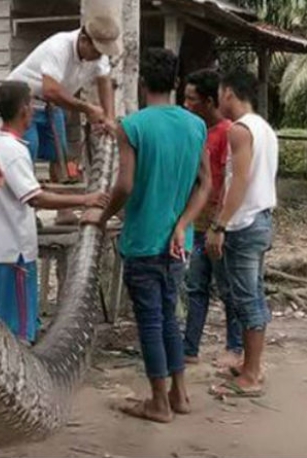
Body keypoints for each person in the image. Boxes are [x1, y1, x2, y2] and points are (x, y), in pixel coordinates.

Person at [84, 48, 212, 423]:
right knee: (170, 317)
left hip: (142, 240)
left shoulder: (134, 126)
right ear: (175, 83)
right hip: (178, 243)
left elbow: (124, 184)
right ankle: (180, 393)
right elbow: (205, 184)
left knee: (151, 321)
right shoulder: (195, 125)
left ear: (142, 83)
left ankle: (158, 402)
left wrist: (105, 214)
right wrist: (184, 223)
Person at [0, 81, 108, 344]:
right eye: (32, 106)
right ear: (24, 110)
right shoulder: (12, 150)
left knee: (8, 316)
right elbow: (35, 198)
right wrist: (85, 199)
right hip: (13, 247)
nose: (34, 111)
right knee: (19, 327)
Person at [206, 69, 278, 398]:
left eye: (220, 93)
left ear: (230, 93)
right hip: (260, 218)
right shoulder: (264, 128)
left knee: (247, 299)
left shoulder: (239, 130)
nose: (217, 99)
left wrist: (220, 224)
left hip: (245, 223)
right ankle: (251, 364)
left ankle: (251, 374)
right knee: (252, 295)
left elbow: (240, 180)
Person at [7, 15, 120, 226]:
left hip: (53, 104)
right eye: (95, 51)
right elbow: (50, 90)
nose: (98, 57)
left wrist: (109, 117)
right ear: (84, 40)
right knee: (25, 155)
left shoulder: (98, 56)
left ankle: (63, 210)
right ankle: (26, 212)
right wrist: (87, 108)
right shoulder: (59, 46)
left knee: (59, 157)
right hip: (23, 102)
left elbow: (104, 82)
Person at [180, 69, 243, 368]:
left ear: (207, 101)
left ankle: (235, 346)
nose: (186, 104)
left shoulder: (227, 133)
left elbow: (228, 183)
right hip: (198, 222)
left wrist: (219, 226)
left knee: (227, 289)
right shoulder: (196, 130)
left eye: (191, 99)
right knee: (195, 286)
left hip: (218, 226)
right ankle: (189, 347)